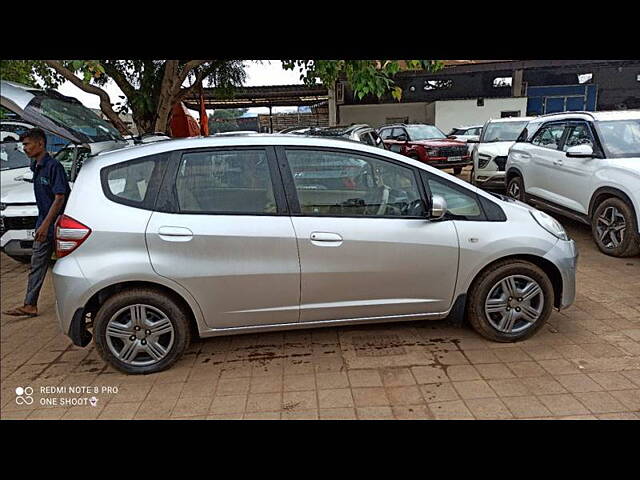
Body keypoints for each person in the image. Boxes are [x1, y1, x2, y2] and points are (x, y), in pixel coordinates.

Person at [3, 128, 71, 318]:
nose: (24, 148)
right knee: (38, 264)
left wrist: (45, 225)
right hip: (44, 222)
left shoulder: (53, 166)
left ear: (40, 144)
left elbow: (59, 197)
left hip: (56, 224)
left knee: (55, 263)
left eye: (27, 144)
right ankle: (30, 304)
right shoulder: (37, 166)